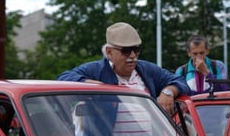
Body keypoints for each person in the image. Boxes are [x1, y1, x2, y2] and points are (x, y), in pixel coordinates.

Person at [57, 22, 191, 115]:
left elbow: (181, 81)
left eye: (136, 49)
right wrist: (87, 84)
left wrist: (168, 92)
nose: (132, 56)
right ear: (109, 52)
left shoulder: (147, 69)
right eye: (126, 50)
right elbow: (62, 79)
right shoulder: (96, 70)